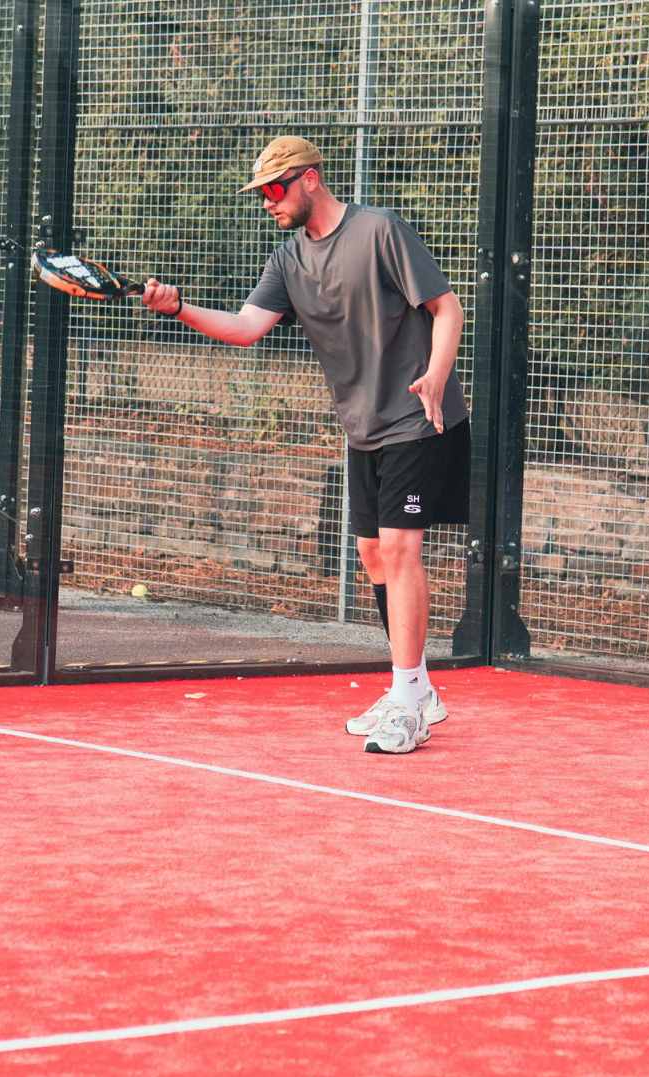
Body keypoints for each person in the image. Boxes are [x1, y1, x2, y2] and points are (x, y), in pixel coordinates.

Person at [139, 136, 468, 755]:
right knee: (373, 556)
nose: (267, 202)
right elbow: (245, 329)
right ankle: (418, 686)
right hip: (363, 425)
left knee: (400, 550)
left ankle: (406, 701)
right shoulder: (289, 259)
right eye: (260, 193)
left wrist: (436, 375)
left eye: (274, 188)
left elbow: (447, 309)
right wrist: (178, 307)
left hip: (419, 416)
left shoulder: (380, 231)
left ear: (309, 179)